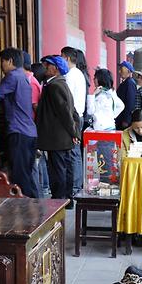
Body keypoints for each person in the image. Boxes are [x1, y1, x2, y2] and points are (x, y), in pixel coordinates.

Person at [0, 47, 39, 197]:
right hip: (29, 132)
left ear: (10, 61)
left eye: (2, 61)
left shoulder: (12, 76)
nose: (1, 65)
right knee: (26, 174)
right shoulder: (22, 76)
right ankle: (37, 207)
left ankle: (32, 209)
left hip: (19, 132)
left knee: (20, 176)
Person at [36, 55, 78, 203]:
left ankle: (60, 199)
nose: (45, 68)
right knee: (63, 167)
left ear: (56, 69)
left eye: (48, 66)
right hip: (61, 136)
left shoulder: (55, 86)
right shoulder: (59, 84)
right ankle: (67, 198)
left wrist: (74, 132)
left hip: (58, 137)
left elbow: (65, 113)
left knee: (58, 169)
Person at [61, 46, 88, 196]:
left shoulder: (72, 75)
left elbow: (67, 99)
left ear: (67, 58)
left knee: (73, 152)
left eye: (62, 57)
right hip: (78, 116)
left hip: (74, 117)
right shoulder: (77, 73)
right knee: (75, 152)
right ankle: (76, 185)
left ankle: (75, 186)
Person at [115, 60, 138, 130]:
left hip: (124, 119)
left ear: (128, 71)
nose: (119, 72)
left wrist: (126, 120)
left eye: (121, 70)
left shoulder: (130, 83)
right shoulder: (126, 82)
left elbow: (130, 102)